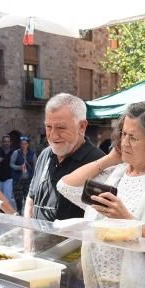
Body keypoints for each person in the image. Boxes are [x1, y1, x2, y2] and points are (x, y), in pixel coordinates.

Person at [57, 100, 145, 288]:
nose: (124, 142)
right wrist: (109, 159)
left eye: (133, 137)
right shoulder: (116, 174)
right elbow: (66, 185)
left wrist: (126, 221)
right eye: (123, 134)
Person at [26, 94, 104, 223]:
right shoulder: (45, 154)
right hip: (38, 241)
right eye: (48, 127)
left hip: (75, 243)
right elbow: (31, 197)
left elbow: (100, 219)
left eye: (61, 128)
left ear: (82, 127)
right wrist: (27, 235)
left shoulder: (99, 163)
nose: (53, 136)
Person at [10, 136, 37, 214]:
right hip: (18, 179)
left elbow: (36, 167)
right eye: (22, 144)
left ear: (28, 144)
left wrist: (34, 177)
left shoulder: (32, 154)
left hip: (28, 180)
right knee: (18, 198)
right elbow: (11, 164)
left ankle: (27, 213)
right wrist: (19, 167)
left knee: (28, 198)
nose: (23, 145)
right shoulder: (16, 153)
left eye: (25, 144)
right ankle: (19, 211)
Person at [0, 133, 15, 205]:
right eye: (5, 141)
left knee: (7, 199)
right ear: (2, 142)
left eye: (8, 141)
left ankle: (6, 214)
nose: (6, 143)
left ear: (10, 143)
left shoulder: (13, 153)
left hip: (9, 178)